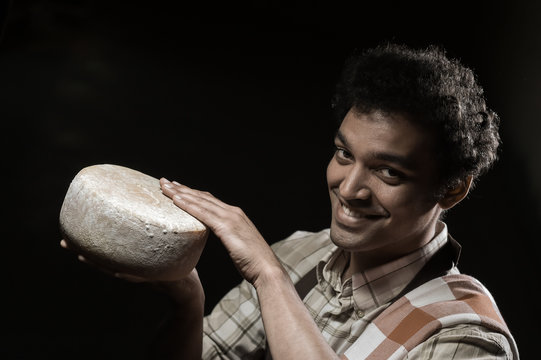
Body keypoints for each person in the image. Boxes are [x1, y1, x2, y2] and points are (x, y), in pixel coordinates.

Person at [62, 43, 519, 359]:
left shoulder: (468, 335)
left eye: (388, 172)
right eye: (344, 154)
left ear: (453, 189)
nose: (349, 188)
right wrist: (186, 296)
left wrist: (268, 276)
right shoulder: (302, 253)